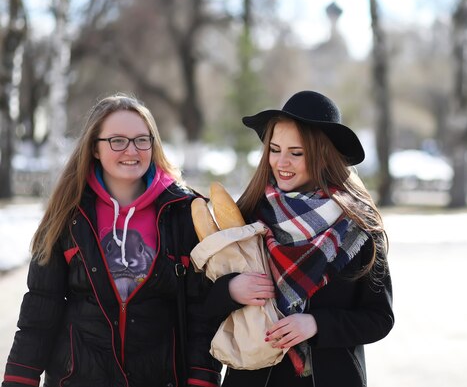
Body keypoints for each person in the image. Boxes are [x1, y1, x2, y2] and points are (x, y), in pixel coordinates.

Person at [2, 94, 222, 387]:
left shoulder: (183, 212)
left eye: (141, 140)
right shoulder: (69, 212)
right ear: (94, 148)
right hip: (78, 379)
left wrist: (202, 380)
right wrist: (19, 380)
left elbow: (200, 312)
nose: (131, 150)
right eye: (117, 140)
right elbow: (40, 309)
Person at [212, 90, 394, 387]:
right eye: (274, 149)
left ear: (324, 155)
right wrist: (230, 290)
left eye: (296, 153)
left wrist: (316, 325)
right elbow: (202, 301)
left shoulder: (358, 226)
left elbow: (379, 318)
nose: (281, 162)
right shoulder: (247, 216)